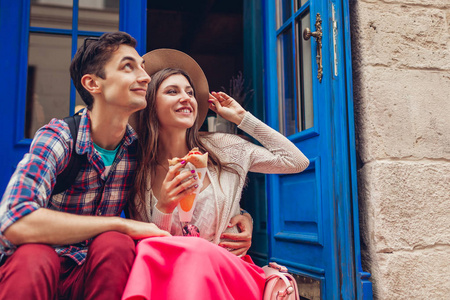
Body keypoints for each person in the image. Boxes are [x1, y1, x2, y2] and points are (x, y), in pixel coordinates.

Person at [122, 49, 310, 300]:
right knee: (184, 252)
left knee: (198, 252)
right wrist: (164, 207)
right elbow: (154, 248)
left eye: (189, 92)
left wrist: (243, 119)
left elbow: (296, 161)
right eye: (172, 91)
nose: (186, 98)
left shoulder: (225, 148)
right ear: (150, 104)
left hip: (229, 273)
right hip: (171, 281)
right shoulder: (137, 168)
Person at [0, 32, 172, 300]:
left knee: (116, 244)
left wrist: (240, 216)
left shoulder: (136, 150)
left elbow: (163, 215)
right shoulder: (59, 137)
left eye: (142, 67)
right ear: (93, 83)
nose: (145, 77)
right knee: (36, 255)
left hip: (92, 275)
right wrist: (119, 224)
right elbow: (15, 220)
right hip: (35, 272)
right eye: (128, 66)